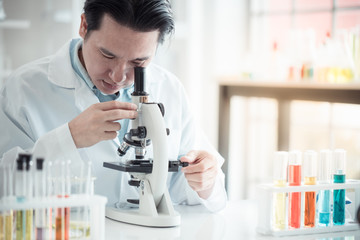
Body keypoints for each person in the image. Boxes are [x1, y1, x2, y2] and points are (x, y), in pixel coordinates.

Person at [0, 0, 227, 212]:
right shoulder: (25, 88)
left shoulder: (169, 88)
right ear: (84, 25)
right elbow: (5, 188)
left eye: (138, 62)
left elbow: (200, 191)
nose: (118, 76)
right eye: (107, 55)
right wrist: (68, 138)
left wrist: (205, 180)